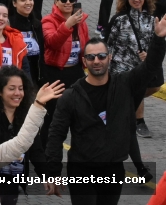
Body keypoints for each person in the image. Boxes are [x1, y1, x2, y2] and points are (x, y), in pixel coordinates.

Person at [45, 17, 166, 204]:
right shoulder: (71, 96)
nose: (97, 61)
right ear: (84, 62)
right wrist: (52, 173)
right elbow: (56, 134)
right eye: (91, 57)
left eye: (101, 56)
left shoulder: (125, 84)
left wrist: (158, 38)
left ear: (109, 58)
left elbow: (150, 67)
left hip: (114, 168)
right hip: (82, 171)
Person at [0, 37, 53, 205]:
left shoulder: (26, 116)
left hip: (12, 184)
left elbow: (36, 148)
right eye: (12, 88)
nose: (18, 93)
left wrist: (47, 176)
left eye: (21, 88)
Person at [106, 0, 161, 144]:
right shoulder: (119, 19)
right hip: (120, 68)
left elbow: (155, 43)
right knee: (128, 94)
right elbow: (107, 44)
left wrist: (149, 55)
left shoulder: (151, 20)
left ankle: (128, 112)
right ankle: (135, 122)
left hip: (140, 68)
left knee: (153, 87)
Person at [40, 0, 89, 147]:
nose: (68, 3)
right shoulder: (48, 21)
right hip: (55, 74)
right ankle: (48, 155)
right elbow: (52, 42)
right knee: (53, 117)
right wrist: (67, 25)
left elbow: (86, 46)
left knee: (80, 114)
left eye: (71, 0)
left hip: (75, 72)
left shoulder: (81, 22)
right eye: (63, 0)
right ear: (56, 2)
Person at [9, 0, 45, 85]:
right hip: (16, 75)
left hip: (35, 75)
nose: (28, 3)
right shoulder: (9, 25)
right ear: (14, 3)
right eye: (23, 0)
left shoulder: (37, 24)